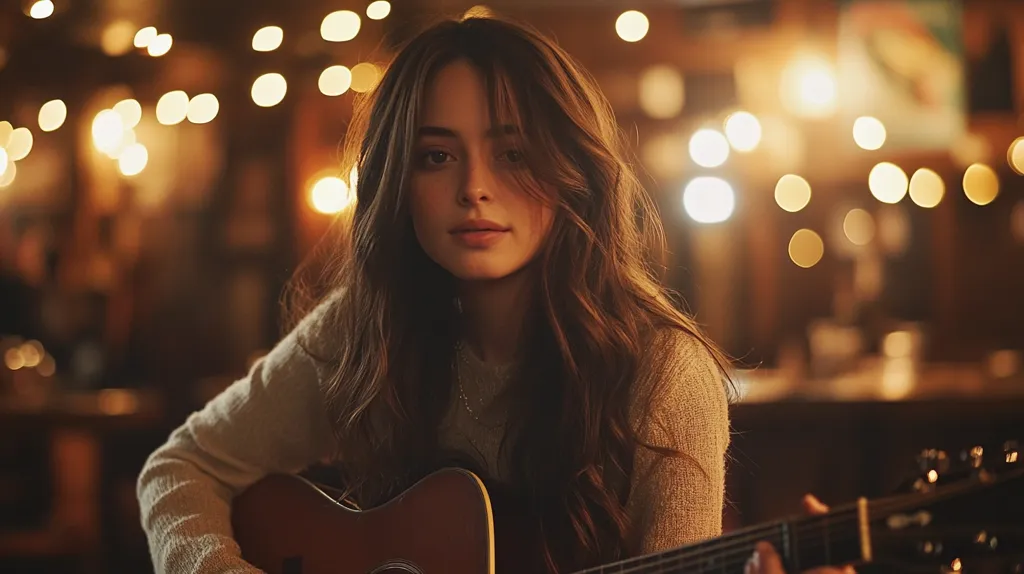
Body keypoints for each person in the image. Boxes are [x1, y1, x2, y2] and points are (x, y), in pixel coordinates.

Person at [136, 13, 845, 574]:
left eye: (513, 153)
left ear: (572, 171)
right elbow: (177, 470)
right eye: (437, 156)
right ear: (398, 185)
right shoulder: (362, 330)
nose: (474, 187)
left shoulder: (662, 374)